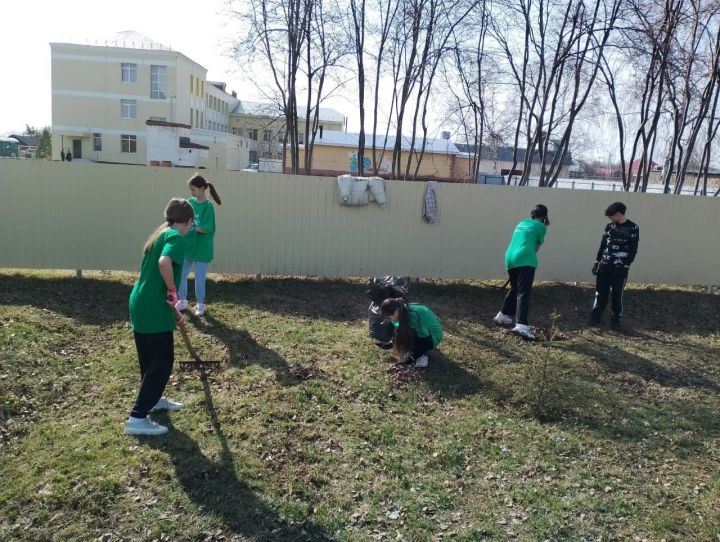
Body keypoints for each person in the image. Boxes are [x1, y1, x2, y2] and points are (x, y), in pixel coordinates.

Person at [125, 198, 194, 436]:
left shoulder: (160, 234)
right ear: (188, 222)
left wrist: (173, 308)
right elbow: (165, 263)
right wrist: (174, 290)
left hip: (141, 301)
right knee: (162, 362)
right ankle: (137, 418)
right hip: (153, 305)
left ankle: (153, 400)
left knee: (149, 360)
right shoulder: (175, 237)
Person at [493, 204, 549, 340]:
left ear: (532, 214)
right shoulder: (541, 227)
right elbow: (536, 246)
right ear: (544, 216)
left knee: (515, 288)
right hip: (525, 258)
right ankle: (522, 325)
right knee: (524, 291)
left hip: (510, 257)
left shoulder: (522, 223)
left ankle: (502, 315)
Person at [176, 174, 222, 317]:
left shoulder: (208, 206)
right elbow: (182, 218)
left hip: (202, 248)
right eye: (190, 190)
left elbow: (208, 228)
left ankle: (200, 304)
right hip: (188, 247)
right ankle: (182, 301)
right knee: (182, 274)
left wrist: (193, 226)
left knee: (199, 278)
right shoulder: (190, 202)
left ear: (202, 189)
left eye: (194, 189)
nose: (192, 193)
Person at [590, 202, 639, 326]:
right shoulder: (609, 227)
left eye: (611, 216)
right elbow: (603, 245)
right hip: (604, 265)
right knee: (601, 292)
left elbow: (633, 249)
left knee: (617, 294)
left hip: (620, 267)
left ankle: (616, 318)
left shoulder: (633, 228)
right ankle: (595, 317)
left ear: (618, 214)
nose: (610, 219)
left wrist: (627, 265)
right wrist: (597, 262)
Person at [380, 298, 443, 368]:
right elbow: (397, 328)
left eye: (389, 315)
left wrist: (410, 359)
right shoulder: (399, 312)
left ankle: (423, 355)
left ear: (397, 311)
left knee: (408, 337)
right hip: (421, 333)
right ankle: (414, 350)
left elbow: (425, 341)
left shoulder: (414, 316)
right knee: (402, 333)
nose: (387, 318)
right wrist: (391, 342)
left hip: (432, 336)